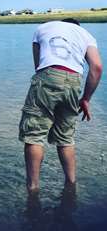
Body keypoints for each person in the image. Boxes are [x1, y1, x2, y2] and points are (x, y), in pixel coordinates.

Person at [18, 18, 103, 194]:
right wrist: (86, 99)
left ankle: (33, 187)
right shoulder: (86, 35)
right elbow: (97, 67)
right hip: (74, 79)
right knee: (65, 136)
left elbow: (38, 66)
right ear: (76, 27)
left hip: (47, 74)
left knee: (34, 134)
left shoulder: (41, 28)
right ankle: (71, 183)